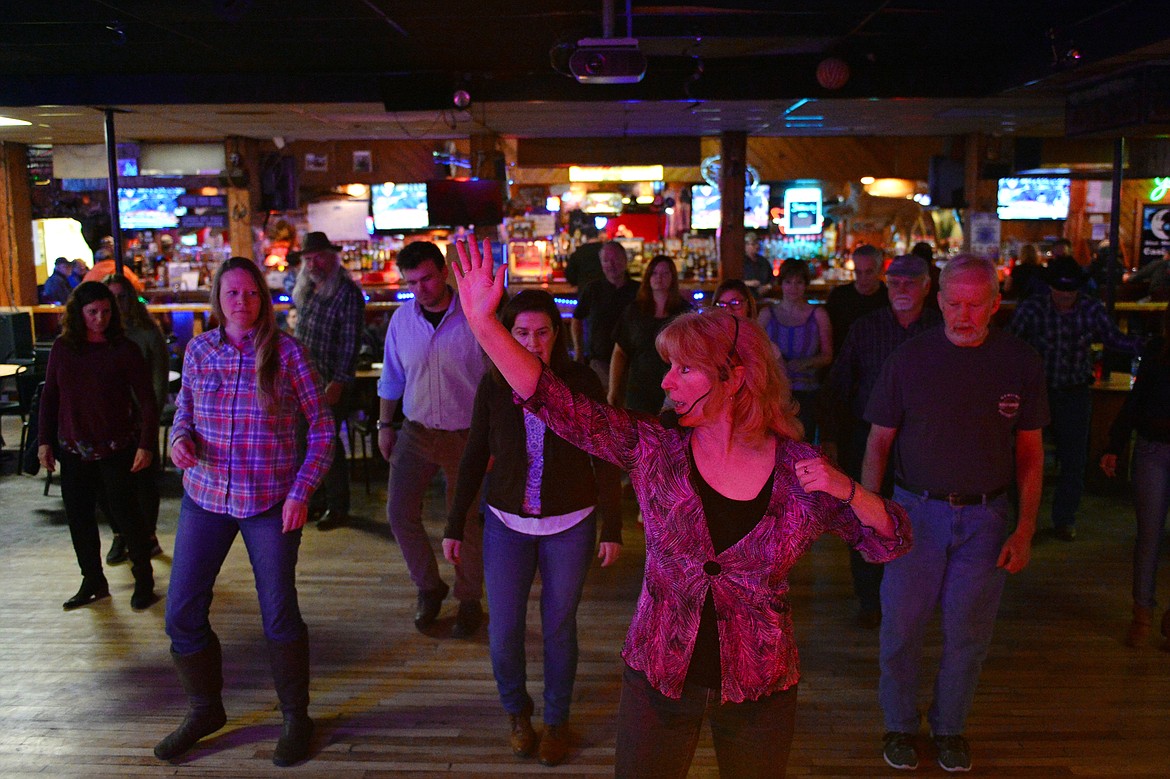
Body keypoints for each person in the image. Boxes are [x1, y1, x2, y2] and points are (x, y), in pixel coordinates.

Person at [450, 237, 910, 778]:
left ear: (734, 377)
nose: (665, 382)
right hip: (658, 676)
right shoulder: (655, 447)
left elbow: (890, 540)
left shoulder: (800, 472)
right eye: (668, 368)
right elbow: (559, 406)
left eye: (683, 370)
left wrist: (849, 490)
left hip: (759, 686)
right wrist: (485, 326)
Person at [863, 255, 1047, 773]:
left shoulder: (1019, 361)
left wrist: (1026, 527)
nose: (963, 316)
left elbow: (1030, 453)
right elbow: (879, 442)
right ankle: (899, 724)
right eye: (953, 303)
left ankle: (949, 727)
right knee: (901, 627)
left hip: (987, 516)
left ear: (995, 304)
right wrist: (869, 512)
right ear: (938, 300)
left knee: (968, 633)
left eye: (975, 305)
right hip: (914, 511)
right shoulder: (909, 358)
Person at [155, 257, 333, 767]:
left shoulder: (288, 355)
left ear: (264, 298)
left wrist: (302, 491)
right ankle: (205, 709)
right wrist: (179, 438)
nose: (242, 303)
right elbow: (184, 408)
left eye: (251, 294)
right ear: (218, 299)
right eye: (233, 294)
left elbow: (322, 427)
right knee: (182, 613)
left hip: (270, 501)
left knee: (278, 613)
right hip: (206, 496)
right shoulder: (199, 351)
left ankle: (297, 717)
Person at [442, 290, 623, 767]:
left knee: (559, 628)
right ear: (506, 334)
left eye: (542, 332)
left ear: (556, 335)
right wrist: (455, 522)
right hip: (506, 523)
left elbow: (603, 453)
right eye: (521, 332)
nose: (532, 341)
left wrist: (613, 525)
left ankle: (557, 721)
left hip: (572, 523)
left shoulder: (579, 380)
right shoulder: (494, 384)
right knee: (503, 630)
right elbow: (474, 455)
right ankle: (517, 713)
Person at [823, 255, 941, 628]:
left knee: (924, 518)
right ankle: (870, 598)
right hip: (867, 436)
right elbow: (839, 385)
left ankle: (914, 597)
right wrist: (829, 439)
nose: (901, 290)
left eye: (910, 282)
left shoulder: (940, 330)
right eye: (895, 283)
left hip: (925, 440)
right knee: (866, 513)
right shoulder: (866, 329)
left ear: (927, 286)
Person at [378, 240, 488, 638]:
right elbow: (391, 377)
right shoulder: (401, 322)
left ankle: (469, 598)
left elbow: (496, 380)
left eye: (426, 278)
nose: (420, 288)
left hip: (467, 435)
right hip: (416, 429)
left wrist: (494, 438)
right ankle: (429, 586)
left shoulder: (475, 316)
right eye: (411, 282)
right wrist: (384, 426)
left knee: (465, 524)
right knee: (399, 512)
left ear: (443, 272)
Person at [37, 281, 160, 611]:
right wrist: (44, 440)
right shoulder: (64, 348)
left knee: (126, 518)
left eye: (106, 312)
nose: (100, 318)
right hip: (74, 447)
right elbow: (50, 397)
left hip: (115, 447)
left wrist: (146, 444)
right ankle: (92, 579)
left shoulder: (124, 349)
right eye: (92, 312)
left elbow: (147, 401)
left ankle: (144, 580)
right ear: (79, 313)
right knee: (79, 518)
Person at [1010, 256, 1140, 541]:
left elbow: (1114, 339)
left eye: (1070, 291)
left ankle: (1063, 520)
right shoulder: (1034, 308)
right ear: (1050, 287)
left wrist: (1148, 347)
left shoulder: (1089, 308)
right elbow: (1012, 347)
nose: (1066, 296)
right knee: (1026, 457)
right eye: (1061, 290)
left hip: (1074, 391)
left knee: (1073, 459)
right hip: (1037, 394)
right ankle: (1022, 519)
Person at [1101, 306, 1170, 649]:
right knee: (1149, 536)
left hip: (1153, 448)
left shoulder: (1157, 352)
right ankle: (1142, 612)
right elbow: (1137, 400)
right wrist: (1115, 443)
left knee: (1150, 537)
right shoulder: (1157, 352)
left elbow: (1136, 401)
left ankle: (1147, 615)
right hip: (1153, 448)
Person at [292, 231, 365, 531]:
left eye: (319, 257)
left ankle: (338, 506)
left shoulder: (347, 292)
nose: (313, 263)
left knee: (327, 445)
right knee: (303, 443)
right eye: (308, 259)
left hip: (330, 383)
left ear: (332, 257)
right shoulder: (307, 290)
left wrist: (338, 382)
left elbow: (350, 343)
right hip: (303, 381)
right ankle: (317, 500)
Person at [101, 274, 168, 565]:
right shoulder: (101, 335)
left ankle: (148, 536)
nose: (117, 304)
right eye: (111, 299)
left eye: (122, 297)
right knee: (110, 481)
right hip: (109, 419)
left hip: (141, 416)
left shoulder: (147, 334)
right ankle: (121, 534)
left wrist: (147, 417)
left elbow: (158, 382)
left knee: (144, 479)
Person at [759, 258, 833, 440]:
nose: (793, 287)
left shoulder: (818, 315)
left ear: (805, 285)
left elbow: (827, 356)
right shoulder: (767, 315)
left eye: (799, 282)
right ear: (781, 284)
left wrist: (804, 363)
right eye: (788, 282)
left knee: (802, 442)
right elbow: (755, 352)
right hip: (773, 392)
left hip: (806, 391)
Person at [608, 254, 691, 413]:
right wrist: (614, 390)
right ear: (648, 277)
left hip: (676, 389)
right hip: (639, 389)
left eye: (665, 273)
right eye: (654, 273)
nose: (659, 278)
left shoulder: (684, 313)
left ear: (672, 278)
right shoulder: (634, 311)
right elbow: (620, 352)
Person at [570, 241, 638, 393]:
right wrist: (579, 351)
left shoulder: (639, 291)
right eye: (606, 260)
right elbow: (577, 318)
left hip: (633, 364)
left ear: (625, 260)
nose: (611, 264)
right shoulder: (593, 289)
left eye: (615, 259)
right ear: (601, 263)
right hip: (600, 363)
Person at [824, 244, 887, 354]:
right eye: (858, 272)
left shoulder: (889, 298)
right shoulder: (839, 296)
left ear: (880, 270)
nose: (863, 278)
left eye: (869, 272)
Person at [563, 225, 604, 289]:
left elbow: (570, 275)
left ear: (585, 237)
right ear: (598, 235)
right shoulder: (606, 250)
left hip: (584, 291)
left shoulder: (578, 252)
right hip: (605, 291)